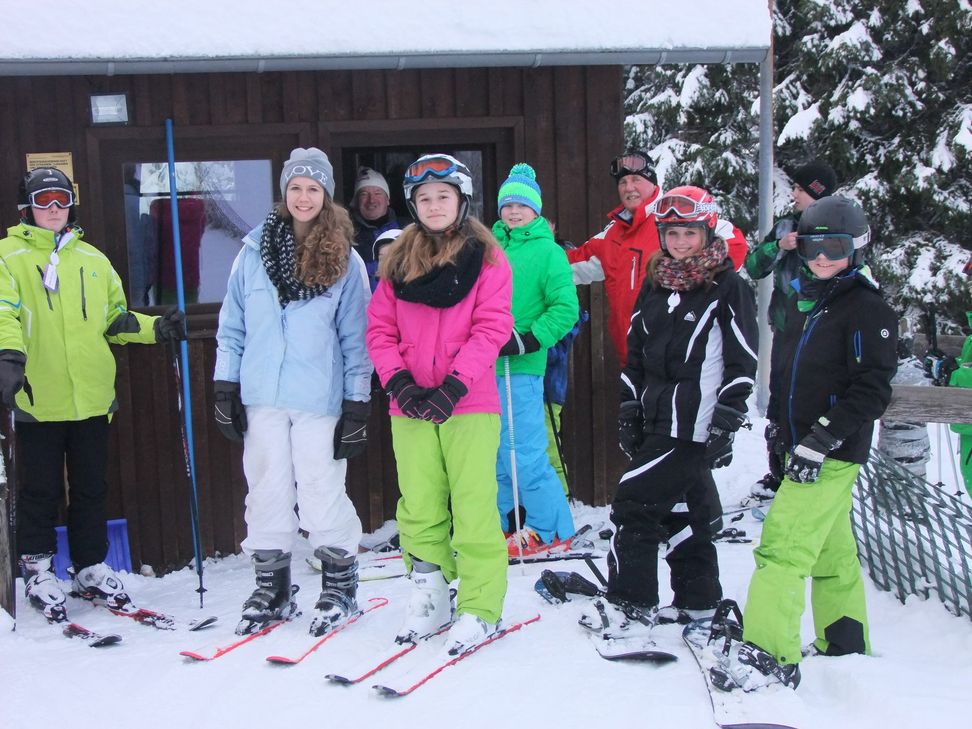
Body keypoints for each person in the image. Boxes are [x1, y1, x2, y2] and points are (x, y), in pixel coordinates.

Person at [715, 196, 898, 692]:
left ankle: (767, 652)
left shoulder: (865, 306)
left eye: (835, 247)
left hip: (831, 451)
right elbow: (789, 375)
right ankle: (845, 640)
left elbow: (873, 387)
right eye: (815, 245)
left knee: (783, 549)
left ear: (856, 248)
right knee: (829, 553)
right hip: (801, 446)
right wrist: (779, 428)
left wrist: (823, 438)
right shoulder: (807, 297)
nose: (822, 257)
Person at [0, 167, 186, 623]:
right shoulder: (8, 257)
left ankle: (88, 567)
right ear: (27, 207)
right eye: (44, 201)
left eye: (61, 201)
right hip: (36, 398)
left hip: (92, 399)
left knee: (90, 488)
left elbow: (116, 321)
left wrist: (155, 328)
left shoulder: (93, 260)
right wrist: (7, 359)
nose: (53, 210)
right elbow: (3, 312)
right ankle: (37, 567)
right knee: (40, 489)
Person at [579, 186, 757, 633]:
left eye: (689, 233)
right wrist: (628, 408)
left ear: (707, 232)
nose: (680, 242)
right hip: (656, 419)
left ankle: (631, 602)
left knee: (633, 505)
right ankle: (698, 600)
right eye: (672, 233)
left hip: (693, 425)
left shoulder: (727, 286)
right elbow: (635, 355)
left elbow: (742, 360)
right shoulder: (657, 286)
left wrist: (728, 419)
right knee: (682, 510)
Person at [213, 147, 372, 637]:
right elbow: (233, 326)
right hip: (262, 394)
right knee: (265, 489)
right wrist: (225, 384)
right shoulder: (252, 252)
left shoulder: (345, 260)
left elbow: (357, 339)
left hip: (318, 399)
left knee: (322, 488)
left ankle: (339, 585)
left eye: (313, 189)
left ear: (325, 196)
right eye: (296, 188)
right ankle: (273, 587)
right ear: (284, 193)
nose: (304, 197)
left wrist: (357, 402)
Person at [366, 153, 513, 656]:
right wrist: (399, 383)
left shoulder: (488, 259)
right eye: (424, 197)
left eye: (443, 196)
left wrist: (454, 385)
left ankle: (479, 604)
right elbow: (379, 331)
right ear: (412, 204)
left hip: (468, 403)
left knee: (473, 505)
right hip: (409, 405)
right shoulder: (396, 261)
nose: (433, 205)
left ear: (461, 200)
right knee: (420, 502)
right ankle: (430, 592)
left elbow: (491, 327)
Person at [567, 151, 748, 362]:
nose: (629, 187)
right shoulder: (612, 235)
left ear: (653, 182)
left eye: (636, 179)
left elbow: (735, 243)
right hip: (632, 358)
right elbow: (570, 264)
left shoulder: (674, 217)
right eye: (623, 182)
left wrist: (689, 278)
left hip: (683, 356)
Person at [490, 164, 578, 554]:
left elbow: (565, 308)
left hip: (522, 366)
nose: (513, 211)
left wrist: (528, 340)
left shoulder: (549, 252)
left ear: (536, 210)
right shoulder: (488, 248)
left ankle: (551, 526)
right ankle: (504, 523)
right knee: (493, 454)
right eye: (507, 204)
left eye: (521, 205)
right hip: (484, 366)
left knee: (523, 451)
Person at [744, 161, 837, 500]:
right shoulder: (785, 225)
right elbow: (753, 266)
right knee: (779, 404)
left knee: (811, 404)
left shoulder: (839, 226)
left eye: (801, 189)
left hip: (824, 336)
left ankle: (811, 470)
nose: (794, 194)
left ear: (817, 193)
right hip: (785, 331)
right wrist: (778, 247)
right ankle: (777, 472)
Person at [543, 221, 589, 495]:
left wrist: (532, 343)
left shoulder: (565, 299)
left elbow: (561, 340)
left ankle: (559, 507)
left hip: (548, 389)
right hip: (517, 384)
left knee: (549, 449)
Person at [350, 167, 401, 289]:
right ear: (356, 201)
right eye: (364, 194)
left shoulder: (408, 230)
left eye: (377, 193)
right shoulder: (346, 234)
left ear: (387, 199)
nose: (371, 200)